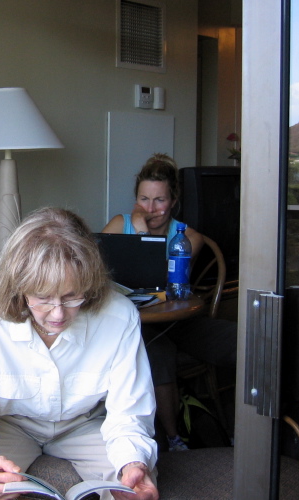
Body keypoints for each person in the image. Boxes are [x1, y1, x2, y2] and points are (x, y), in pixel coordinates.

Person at [0, 207, 159, 500]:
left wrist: (132, 461)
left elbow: (129, 412)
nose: (58, 314)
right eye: (43, 298)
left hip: (85, 424)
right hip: (10, 425)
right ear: (19, 288)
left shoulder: (119, 316)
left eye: (72, 296)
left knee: (133, 483)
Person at [102, 153, 236, 453]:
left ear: (173, 200)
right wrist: (136, 227)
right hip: (132, 324)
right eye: (143, 199)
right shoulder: (118, 224)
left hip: (177, 320)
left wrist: (143, 232)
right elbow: (95, 272)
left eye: (159, 200)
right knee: (157, 352)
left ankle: (251, 426)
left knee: (239, 342)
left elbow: (161, 280)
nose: (151, 208)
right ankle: (175, 439)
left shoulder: (187, 236)